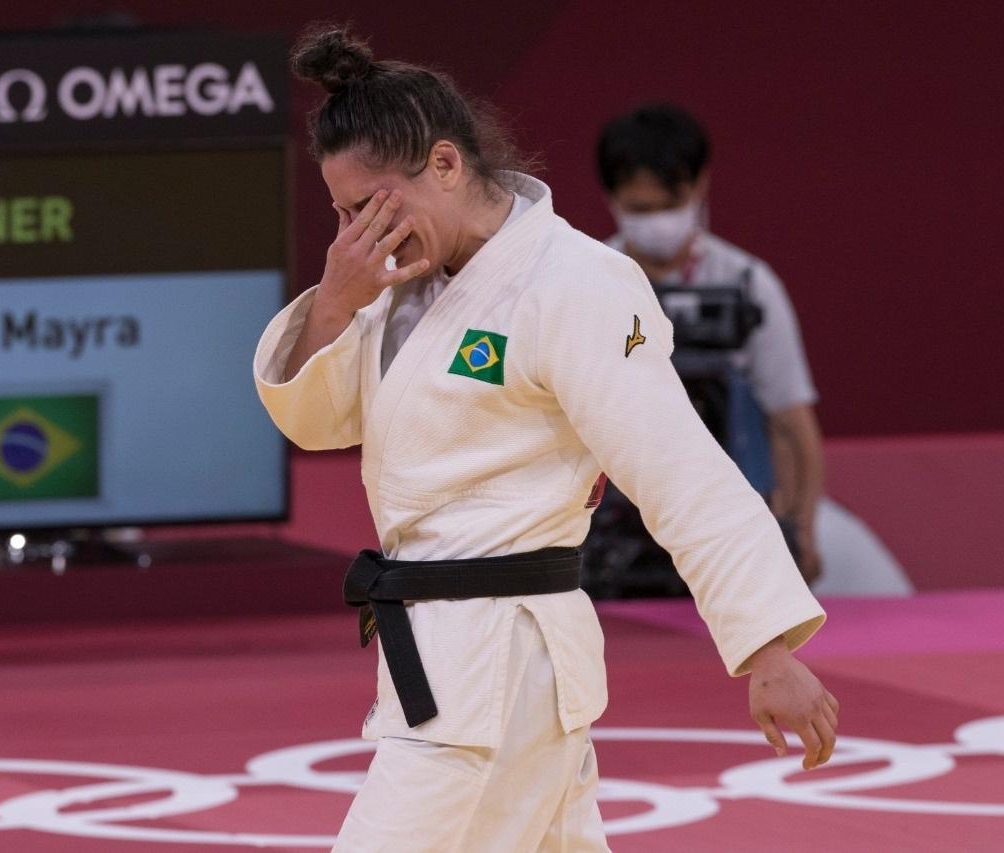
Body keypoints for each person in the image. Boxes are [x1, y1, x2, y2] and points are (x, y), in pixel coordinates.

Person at [253, 26, 839, 851]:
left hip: (496, 665)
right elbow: (313, 421)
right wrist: (335, 301)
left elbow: (676, 465)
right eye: (343, 213)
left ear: (447, 164)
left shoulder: (574, 284)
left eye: (372, 205)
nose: (358, 234)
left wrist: (767, 647)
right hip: (460, 662)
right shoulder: (400, 285)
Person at [597, 104, 825, 583]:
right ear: (612, 198)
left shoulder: (748, 283)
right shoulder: (589, 280)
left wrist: (799, 530)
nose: (657, 220)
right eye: (641, 209)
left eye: (670, 204)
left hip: (729, 526)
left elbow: (790, 419)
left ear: (701, 185)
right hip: (608, 532)